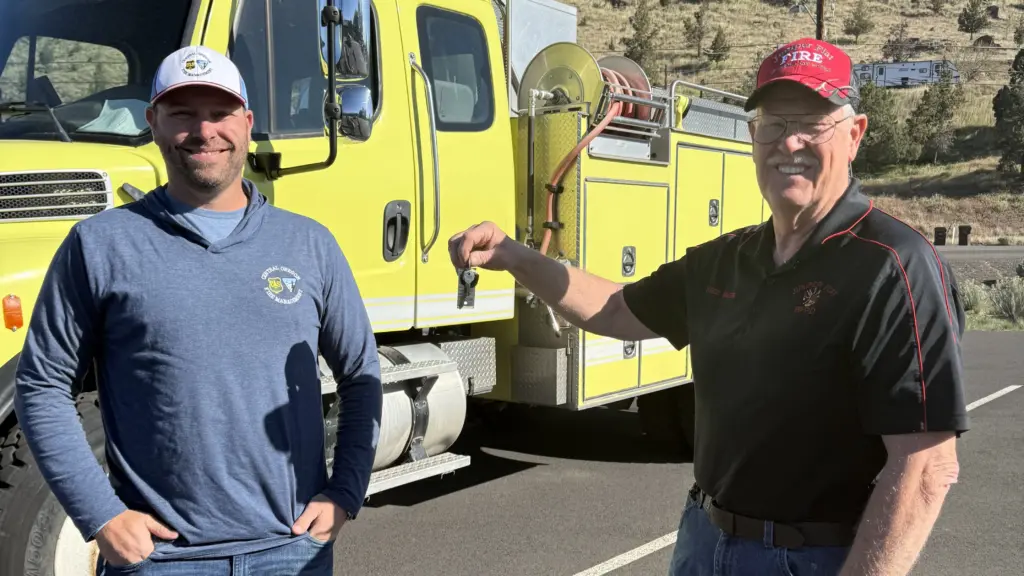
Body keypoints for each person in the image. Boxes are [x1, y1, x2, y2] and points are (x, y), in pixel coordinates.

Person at [448, 37, 969, 576]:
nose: (789, 142)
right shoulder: (728, 259)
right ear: (752, 137)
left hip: (812, 558)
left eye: (812, 123)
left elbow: (926, 465)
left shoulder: (893, 266)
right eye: (773, 123)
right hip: (706, 541)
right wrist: (513, 255)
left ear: (855, 134)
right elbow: (613, 309)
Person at [14, 45, 383, 575]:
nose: (204, 130)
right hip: (163, 561)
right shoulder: (100, 245)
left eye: (220, 112)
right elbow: (42, 385)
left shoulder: (310, 244)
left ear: (248, 123)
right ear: (154, 123)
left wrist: (346, 490)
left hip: (290, 553)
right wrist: (102, 517)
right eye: (183, 112)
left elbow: (361, 374)